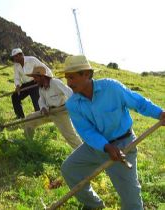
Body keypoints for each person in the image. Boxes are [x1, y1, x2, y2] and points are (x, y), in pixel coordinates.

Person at [59, 55, 165, 210]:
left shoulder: (111, 88)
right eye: (67, 78)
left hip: (124, 144)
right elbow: (87, 132)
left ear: (86, 74)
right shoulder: (73, 104)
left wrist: (160, 113)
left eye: (72, 77)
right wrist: (106, 147)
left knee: (131, 195)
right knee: (70, 169)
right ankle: (93, 204)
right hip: (96, 146)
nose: (69, 83)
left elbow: (138, 102)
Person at [24, 66, 82, 149]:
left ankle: (84, 153)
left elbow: (69, 92)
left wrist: (74, 103)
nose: (34, 80)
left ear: (42, 76)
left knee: (70, 136)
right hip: (48, 111)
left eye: (35, 77)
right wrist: (43, 107)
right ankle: (28, 144)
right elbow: (41, 100)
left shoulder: (55, 83)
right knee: (29, 119)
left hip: (61, 112)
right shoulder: (41, 88)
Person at [11, 48, 53, 119]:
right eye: (13, 57)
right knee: (15, 97)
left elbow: (44, 68)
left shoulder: (32, 60)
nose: (15, 59)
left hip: (35, 83)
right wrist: (17, 85)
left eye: (16, 56)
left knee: (37, 101)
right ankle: (20, 117)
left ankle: (40, 117)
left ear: (21, 55)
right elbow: (16, 77)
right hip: (25, 85)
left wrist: (48, 79)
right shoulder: (16, 65)